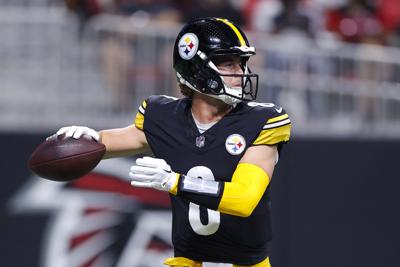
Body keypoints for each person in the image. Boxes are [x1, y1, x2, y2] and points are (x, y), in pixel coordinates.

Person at [55, 17, 291, 267]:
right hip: (187, 261)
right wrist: (85, 138)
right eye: (228, 63)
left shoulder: (262, 120)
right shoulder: (164, 117)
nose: (240, 72)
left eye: (241, 64)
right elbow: (109, 142)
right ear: (196, 69)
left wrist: (173, 181)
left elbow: (244, 199)